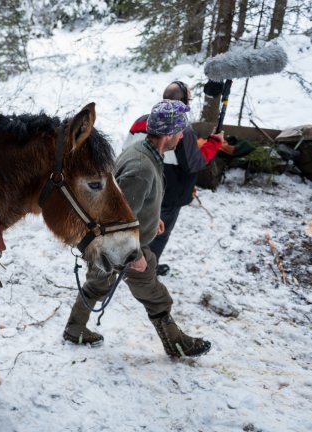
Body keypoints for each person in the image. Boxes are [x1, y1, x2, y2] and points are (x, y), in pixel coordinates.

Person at [63, 99, 211, 359]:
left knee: (98, 282)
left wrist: (153, 217)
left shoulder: (144, 152)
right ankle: (175, 343)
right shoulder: (141, 168)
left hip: (120, 243)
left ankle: (75, 328)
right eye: (179, 131)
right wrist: (135, 256)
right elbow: (116, 218)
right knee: (153, 292)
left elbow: (131, 203)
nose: (182, 136)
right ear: (167, 135)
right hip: (125, 246)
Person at [124, 81, 224, 276]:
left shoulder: (141, 120)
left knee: (139, 226)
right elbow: (194, 163)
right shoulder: (179, 128)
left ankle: (135, 261)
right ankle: (146, 270)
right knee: (158, 235)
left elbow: (126, 148)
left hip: (141, 187)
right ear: (184, 102)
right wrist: (214, 142)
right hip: (168, 194)